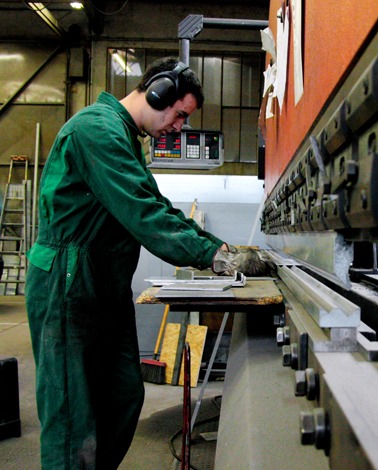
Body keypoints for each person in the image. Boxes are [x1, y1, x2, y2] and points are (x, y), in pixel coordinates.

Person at [25, 56, 240, 469]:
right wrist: (211, 258)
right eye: (179, 115)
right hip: (68, 282)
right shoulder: (97, 130)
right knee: (72, 412)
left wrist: (221, 247)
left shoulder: (124, 138)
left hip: (102, 284)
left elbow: (158, 206)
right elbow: (143, 214)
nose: (179, 127)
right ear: (157, 91)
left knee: (124, 392)